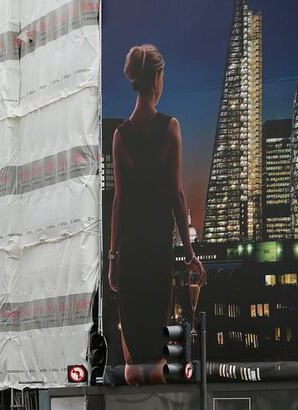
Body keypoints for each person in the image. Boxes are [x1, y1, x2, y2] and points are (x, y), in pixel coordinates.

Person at [108, 44, 206, 385]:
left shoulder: (120, 136)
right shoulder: (170, 128)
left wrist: (113, 259)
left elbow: (119, 201)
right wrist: (191, 255)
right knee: (158, 348)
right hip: (157, 254)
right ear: (157, 80)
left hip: (131, 254)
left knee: (133, 349)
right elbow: (177, 195)